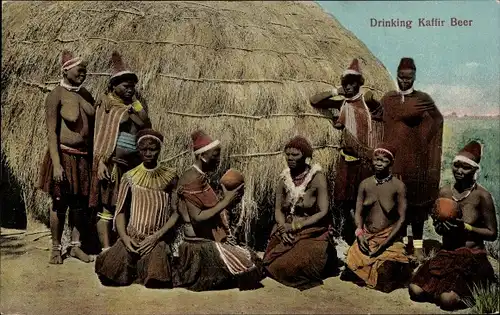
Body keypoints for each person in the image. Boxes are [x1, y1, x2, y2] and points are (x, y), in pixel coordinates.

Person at [409, 141, 497, 310]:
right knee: (415, 290)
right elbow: (438, 225)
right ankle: (446, 291)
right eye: (456, 166)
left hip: (472, 256)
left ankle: (478, 290)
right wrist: (439, 228)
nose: (459, 171)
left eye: (466, 168)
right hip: (447, 254)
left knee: (447, 301)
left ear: (475, 170)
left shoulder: (482, 196)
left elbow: (492, 234)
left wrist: (468, 228)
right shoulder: (444, 193)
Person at [173, 130, 263, 291]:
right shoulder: (191, 178)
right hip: (198, 245)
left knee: (252, 258)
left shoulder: (199, 176)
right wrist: (226, 201)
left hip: (205, 240)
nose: (218, 160)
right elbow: (197, 218)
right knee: (249, 269)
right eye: (215, 155)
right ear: (202, 156)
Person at [310, 58, 384, 245]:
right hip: (346, 159)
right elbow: (314, 100)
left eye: (352, 82)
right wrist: (336, 91)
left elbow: (380, 112)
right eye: (345, 83)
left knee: (366, 201)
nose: (349, 86)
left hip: (365, 161)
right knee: (345, 202)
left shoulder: (367, 103)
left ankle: (369, 237)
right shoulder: (342, 103)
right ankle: (354, 238)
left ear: (359, 84)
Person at [95, 129, 179, 288]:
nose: (148, 153)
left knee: (157, 279)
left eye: (152, 149)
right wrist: (125, 238)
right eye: (144, 149)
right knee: (110, 275)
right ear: (138, 150)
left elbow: (176, 212)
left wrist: (156, 237)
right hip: (132, 237)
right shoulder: (130, 176)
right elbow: (120, 212)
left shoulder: (170, 176)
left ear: (159, 149)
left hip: (156, 239)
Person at [381, 57, 443, 261]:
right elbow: (378, 117)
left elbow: (437, 120)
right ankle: (398, 244)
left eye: (409, 78)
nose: (404, 81)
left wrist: (422, 142)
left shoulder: (422, 99)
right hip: (393, 160)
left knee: (416, 207)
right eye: (401, 77)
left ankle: (417, 247)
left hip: (414, 162)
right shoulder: (388, 99)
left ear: (414, 77)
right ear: (396, 74)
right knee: (395, 203)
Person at [90, 51, 151, 252]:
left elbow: (145, 124)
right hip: (112, 164)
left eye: (132, 86)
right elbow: (100, 135)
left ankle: (122, 247)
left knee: (125, 206)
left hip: (132, 166)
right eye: (125, 86)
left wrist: (133, 109)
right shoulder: (105, 104)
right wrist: (100, 162)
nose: (130, 89)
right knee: (108, 207)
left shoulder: (134, 105)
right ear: (113, 86)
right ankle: (107, 250)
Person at [38, 50, 95, 264]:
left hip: (83, 158)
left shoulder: (87, 95)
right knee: (60, 203)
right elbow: (51, 133)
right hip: (63, 156)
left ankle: (75, 246)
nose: (83, 74)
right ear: (66, 70)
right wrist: (57, 164)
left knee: (80, 204)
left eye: (85, 71)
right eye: (79, 70)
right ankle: (55, 247)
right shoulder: (56, 96)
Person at [263, 136, 337, 290]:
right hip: (287, 227)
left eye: (295, 155)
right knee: (270, 262)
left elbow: (323, 212)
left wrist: (296, 226)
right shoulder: (284, 178)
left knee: (292, 266)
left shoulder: (317, 178)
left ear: (305, 156)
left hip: (312, 229)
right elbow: (278, 209)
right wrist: (283, 229)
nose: (290, 158)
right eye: (287, 155)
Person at [342, 144, 411, 293]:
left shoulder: (398, 187)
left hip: (389, 238)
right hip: (367, 237)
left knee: (385, 278)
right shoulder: (365, 184)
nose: (379, 163)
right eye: (376, 159)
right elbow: (358, 212)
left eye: (384, 161)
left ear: (391, 163)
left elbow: (402, 219)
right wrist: (360, 234)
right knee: (347, 273)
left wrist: (385, 243)